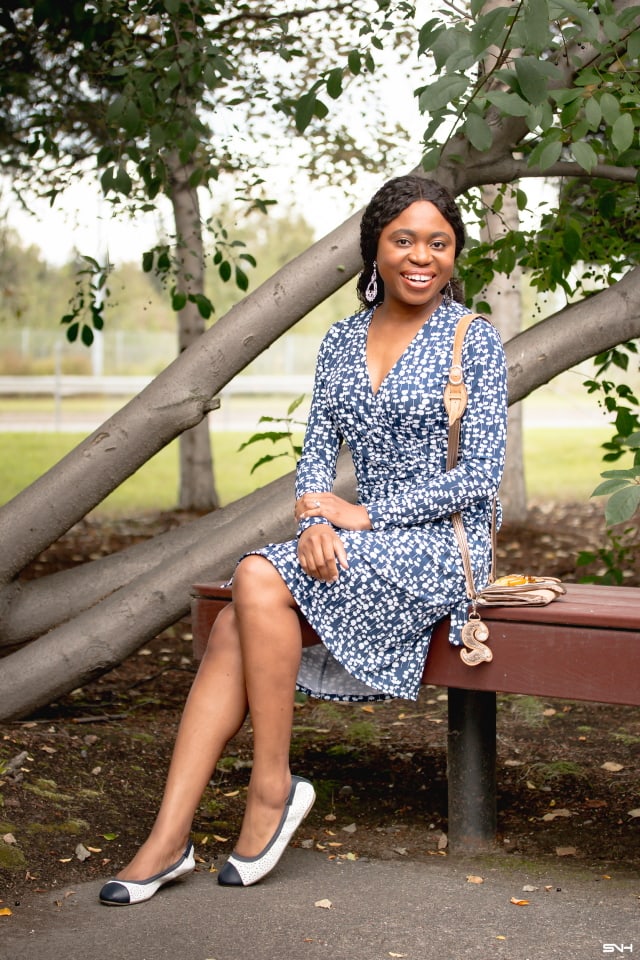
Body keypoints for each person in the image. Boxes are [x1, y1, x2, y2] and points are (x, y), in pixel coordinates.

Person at [98, 175, 508, 905]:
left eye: (439, 243)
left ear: (455, 253)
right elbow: (316, 456)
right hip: (357, 542)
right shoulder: (343, 340)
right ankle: (169, 837)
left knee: (256, 576)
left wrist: (363, 518)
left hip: (443, 546)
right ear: (374, 250)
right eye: (405, 240)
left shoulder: (472, 340)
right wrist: (317, 519)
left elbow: (480, 476)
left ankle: (271, 786)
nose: (423, 257)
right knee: (234, 622)